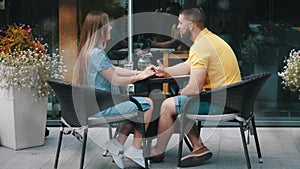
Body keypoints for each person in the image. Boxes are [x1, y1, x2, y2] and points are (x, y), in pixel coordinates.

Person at [150, 6, 242, 167]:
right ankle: (198, 147)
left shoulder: (200, 47)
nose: (178, 27)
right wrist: (166, 72)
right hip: (231, 99)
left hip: (221, 104)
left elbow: (194, 89)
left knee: (168, 105)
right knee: (181, 103)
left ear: (191, 24)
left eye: (180, 23)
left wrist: (181, 93)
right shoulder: (208, 40)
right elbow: (188, 65)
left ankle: (158, 151)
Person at [73, 11, 155, 169]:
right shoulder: (96, 54)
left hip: (94, 105)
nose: (111, 28)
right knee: (148, 104)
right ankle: (135, 149)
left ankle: (117, 144)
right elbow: (115, 79)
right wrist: (139, 77)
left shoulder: (88, 51)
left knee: (134, 105)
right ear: (100, 29)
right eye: (107, 25)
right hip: (100, 109)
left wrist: (139, 73)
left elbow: (113, 69)